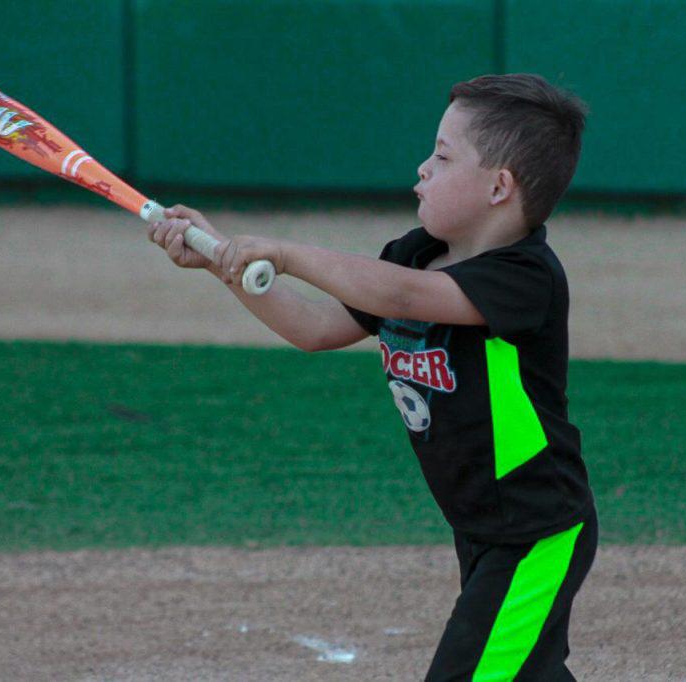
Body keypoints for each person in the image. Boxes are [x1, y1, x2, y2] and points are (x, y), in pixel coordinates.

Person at [148, 73, 597, 681]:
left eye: (442, 157)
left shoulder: (523, 276)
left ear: (499, 187)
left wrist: (286, 253)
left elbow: (408, 297)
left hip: (535, 530)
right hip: (480, 521)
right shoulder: (416, 250)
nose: (422, 168)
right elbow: (316, 328)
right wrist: (222, 263)